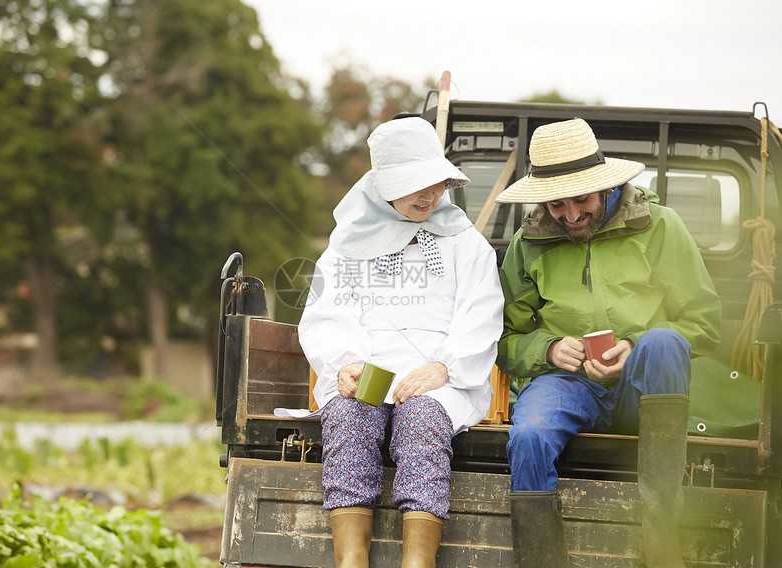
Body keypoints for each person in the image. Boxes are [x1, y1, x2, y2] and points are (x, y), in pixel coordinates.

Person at [494, 118, 721, 567]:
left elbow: (704, 324)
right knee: (529, 435)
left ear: (607, 186)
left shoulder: (659, 226)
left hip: (647, 386)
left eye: (582, 199)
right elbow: (503, 338)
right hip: (567, 383)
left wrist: (634, 345)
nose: (571, 215)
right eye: (557, 204)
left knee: (661, 341)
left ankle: (662, 544)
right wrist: (549, 348)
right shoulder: (527, 242)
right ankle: (540, 560)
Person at [298, 116, 503, 568]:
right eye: (414, 185)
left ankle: (418, 562)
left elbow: (481, 313)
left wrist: (443, 367)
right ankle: (350, 560)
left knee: (421, 421)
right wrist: (346, 364)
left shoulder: (466, 244)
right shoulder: (346, 247)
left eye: (436, 183)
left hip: (437, 375)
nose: (428, 195)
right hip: (369, 369)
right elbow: (329, 313)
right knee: (349, 418)